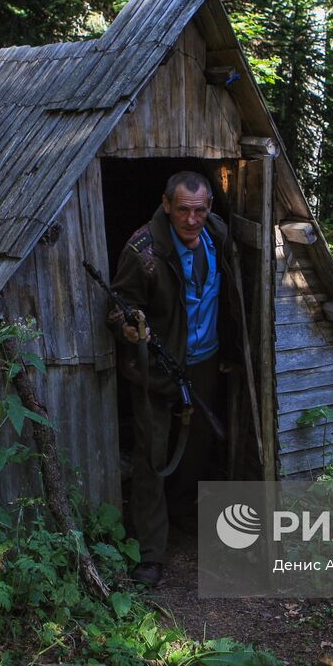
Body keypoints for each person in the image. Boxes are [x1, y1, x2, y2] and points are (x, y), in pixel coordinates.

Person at [108, 170, 248, 587]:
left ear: (209, 208)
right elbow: (118, 306)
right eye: (184, 210)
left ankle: (183, 513)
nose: (192, 219)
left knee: (197, 444)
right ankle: (151, 551)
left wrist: (229, 350)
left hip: (204, 360)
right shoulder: (143, 250)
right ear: (166, 205)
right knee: (153, 455)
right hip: (156, 366)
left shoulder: (217, 235)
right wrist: (129, 326)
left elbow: (230, 295)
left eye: (199, 210)